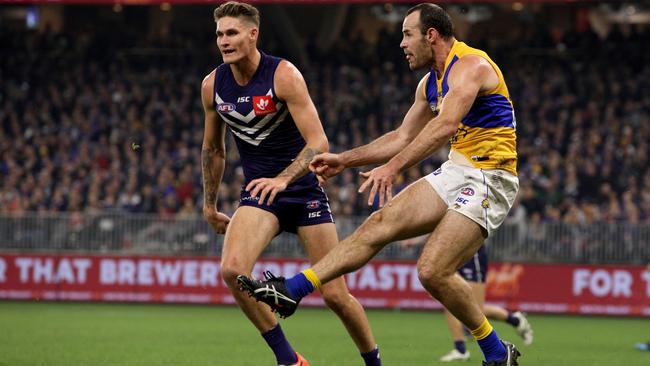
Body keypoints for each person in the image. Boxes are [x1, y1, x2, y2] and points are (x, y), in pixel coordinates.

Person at [238, 3, 521, 365]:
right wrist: (345, 159)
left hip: (491, 176)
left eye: (407, 34)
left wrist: (393, 168)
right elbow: (401, 136)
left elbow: (446, 125)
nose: (401, 44)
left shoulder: (471, 66)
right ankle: (293, 289)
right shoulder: (429, 84)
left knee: (432, 271)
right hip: (458, 169)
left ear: (431, 35)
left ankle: (496, 352)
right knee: (377, 224)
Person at [201, 2, 382, 366]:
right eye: (220, 33)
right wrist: (209, 205)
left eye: (232, 32)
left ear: (253, 34)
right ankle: (289, 360)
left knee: (334, 294)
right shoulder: (212, 86)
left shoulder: (283, 75)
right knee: (233, 270)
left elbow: (319, 142)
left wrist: (284, 179)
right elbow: (213, 149)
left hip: (301, 192)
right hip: (259, 195)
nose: (224, 40)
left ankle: (374, 364)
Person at [436, 246, 533, 362]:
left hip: (471, 253)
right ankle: (460, 350)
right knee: (449, 299)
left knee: (475, 309)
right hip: (453, 252)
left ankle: (515, 320)